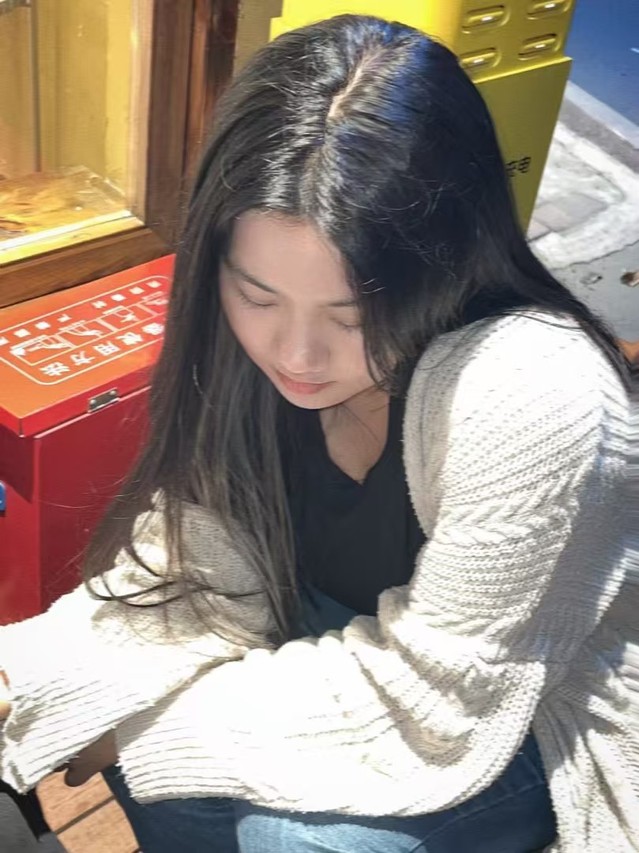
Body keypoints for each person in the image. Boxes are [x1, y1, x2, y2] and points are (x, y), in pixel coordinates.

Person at [0, 13, 636, 853]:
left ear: (446, 261)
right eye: (256, 295)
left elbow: (441, 694)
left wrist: (136, 727)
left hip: (524, 695)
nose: (295, 355)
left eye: (354, 312)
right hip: (344, 633)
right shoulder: (240, 358)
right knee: (134, 719)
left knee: (292, 835)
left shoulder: (532, 387)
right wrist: (23, 680)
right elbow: (195, 565)